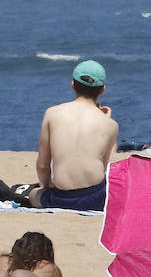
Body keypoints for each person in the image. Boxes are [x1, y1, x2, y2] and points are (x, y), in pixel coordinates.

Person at [27, 60, 119, 212]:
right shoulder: (111, 125)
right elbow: (102, 167)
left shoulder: (52, 113)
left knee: (33, 195)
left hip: (61, 197)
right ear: (102, 90)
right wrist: (106, 120)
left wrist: (46, 185)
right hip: (96, 198)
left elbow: (42, 165)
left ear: (73, 85)